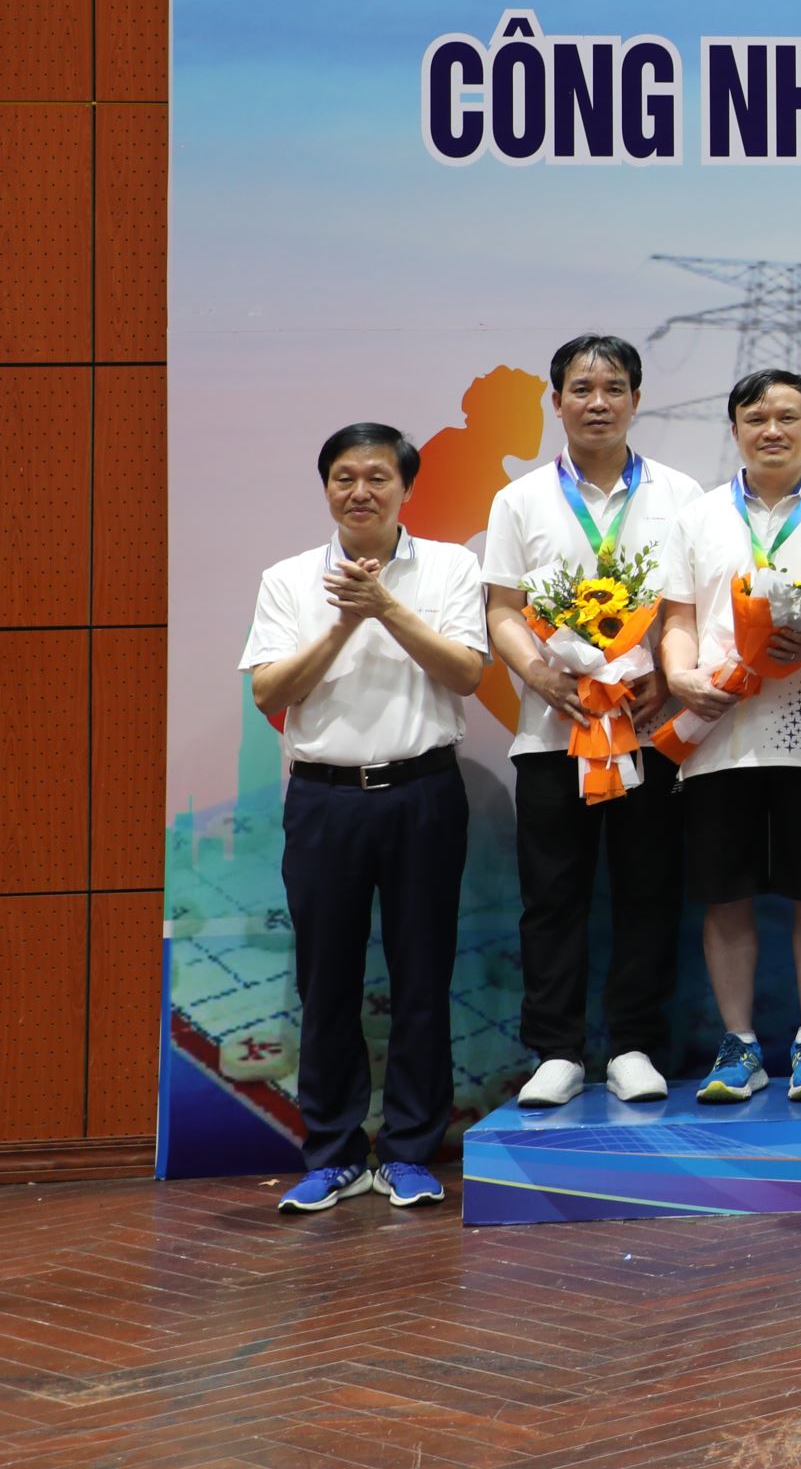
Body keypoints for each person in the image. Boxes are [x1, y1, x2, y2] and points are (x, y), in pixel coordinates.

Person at [242, 423, 488, 1213]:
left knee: (422, 976)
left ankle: (411, 1152)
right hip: (325, 799)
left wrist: (384, 607)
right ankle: (334, 1155)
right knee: (327, 981)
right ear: (326, 488)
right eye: (344, 477)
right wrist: (346, 621)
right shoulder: (288, 579)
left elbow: (467, 673)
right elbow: (270, 692)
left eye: (377, 477)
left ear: (405, 489)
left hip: (424, 792)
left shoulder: (451, 567)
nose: (360, 492)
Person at [481, 334, 702, 1111]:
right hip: (553, 732)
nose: (597, 403)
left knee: (648, 892)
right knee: (552, 897)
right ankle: (557, 1051)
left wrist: (666, 683)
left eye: (613, 389)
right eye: (582, 389)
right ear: (557, 402)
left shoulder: (681, 495)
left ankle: (635, 1045)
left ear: (636, 400)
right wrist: (540, 674)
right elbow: (502, 608)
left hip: (647, 731)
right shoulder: (520, 501)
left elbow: (687, 611)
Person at [657, 369, 801, 1104]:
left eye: (788, 417)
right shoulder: (697, 516)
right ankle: (740, 1044)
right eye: (756, 418)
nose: (772, 430)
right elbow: (678, 618)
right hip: (719, 733)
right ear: (735, 429)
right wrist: (680, 674)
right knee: (726, 895)